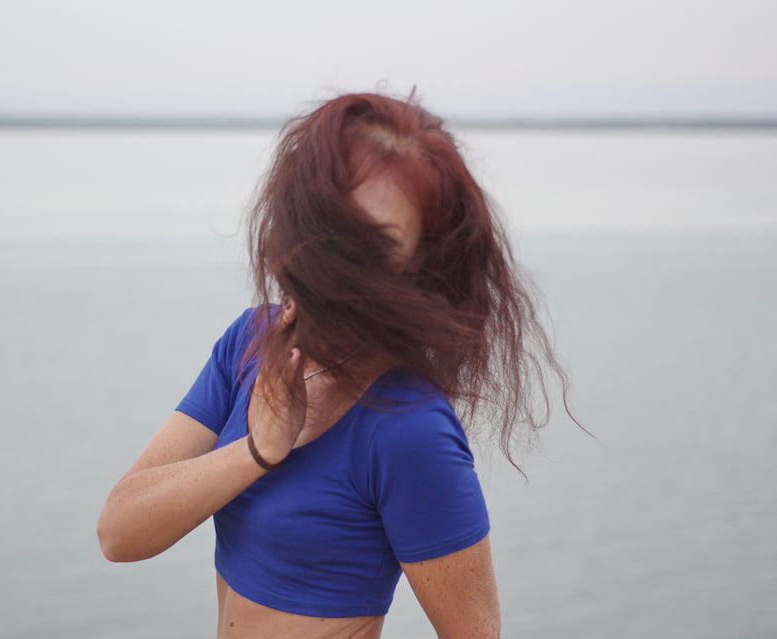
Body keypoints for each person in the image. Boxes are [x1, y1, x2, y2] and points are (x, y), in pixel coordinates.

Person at [98, 91, 571, 639]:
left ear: (423, 260)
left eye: (382, 243)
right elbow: (119, 533)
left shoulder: (407, 426)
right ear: (302, 217)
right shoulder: (251, 342)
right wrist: (255, 453)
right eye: (340, 228)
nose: (350, 261)